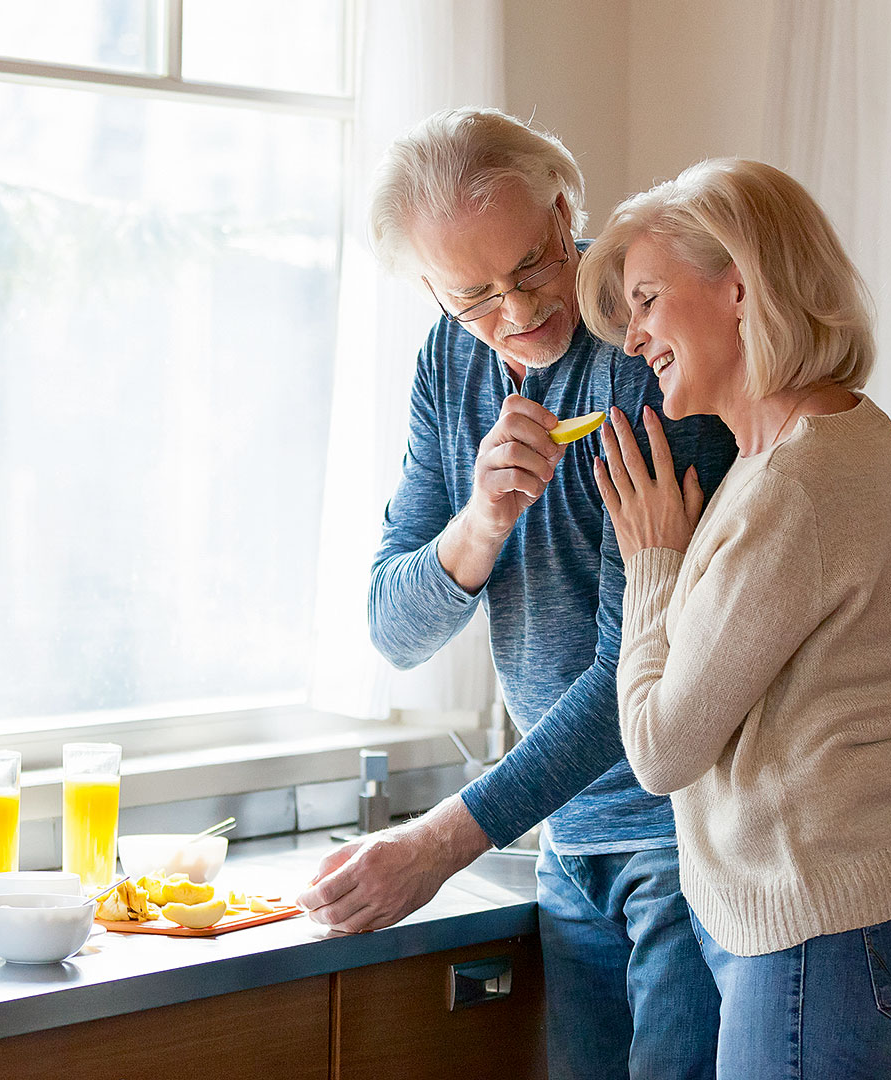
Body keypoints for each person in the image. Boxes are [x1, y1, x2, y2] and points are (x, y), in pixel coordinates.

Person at [293, 107, 737, 1080]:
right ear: (430, 291)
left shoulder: (647, 352)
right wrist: (479, 527)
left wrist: (441, 842)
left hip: (686, 838)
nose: (520, 310)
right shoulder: (447, 363)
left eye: (535, 265)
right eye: (477, 295)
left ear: (565, 207)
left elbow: (636, 679)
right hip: (567, 840)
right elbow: (392, 629)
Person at [579, 157, 891, 1079]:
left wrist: (652, 560)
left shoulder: (791, 486)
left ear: (738, 287)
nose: (634, 337)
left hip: (813, 943)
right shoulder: (839, 440)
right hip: (847, 932)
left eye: (649, 299)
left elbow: (660, 751)